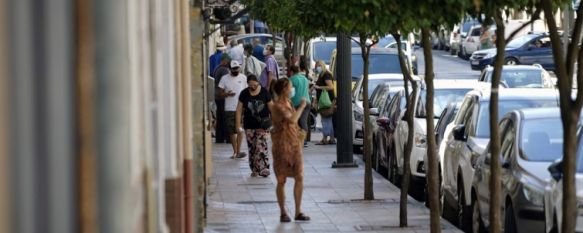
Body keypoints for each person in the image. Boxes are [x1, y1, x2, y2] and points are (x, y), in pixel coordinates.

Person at [270, 78, 310, 223]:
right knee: (281, 180)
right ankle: (283, 212)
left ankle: (298, 211)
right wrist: (302, 107)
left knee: (299, 176)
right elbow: (292, 120)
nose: (292, 89)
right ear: (284, 89)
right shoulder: (278, 106)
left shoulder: (289, 102)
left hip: (294, 146)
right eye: (291, 87)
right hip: (282, 147)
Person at [236, 75, 273, 177]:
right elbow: (239, 110)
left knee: (261, 146)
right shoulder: (244, 93)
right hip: (249, 125)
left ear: (258, 82)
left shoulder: (265, 92)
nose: (253, 87)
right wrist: (238, 125)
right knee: (252, 148)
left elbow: (272, 108)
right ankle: (255, 169)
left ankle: (264, 168)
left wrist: (275, 123)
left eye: (255, 84)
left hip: (263, 125)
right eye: (250, 85)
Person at [218, 60, 248, 159]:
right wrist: (227, 94)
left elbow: (247, 92)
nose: (236, 70)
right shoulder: (224, 78)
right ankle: (235, 151)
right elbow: (220, 93)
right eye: (234, 69)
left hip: (241, 108)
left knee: (240, 130)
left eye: (237, 68)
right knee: (231, 131)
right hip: (229, 108)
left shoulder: (243, 78)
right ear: (230, 69)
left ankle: (238, 151)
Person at [313, 60, 336, 145]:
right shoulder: (322, 74)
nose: (317, 68)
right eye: (316, 67)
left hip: (327, 101)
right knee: (328, 119)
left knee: (325, 119)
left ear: (322, 66)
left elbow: (331, 87)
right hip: (326, 101)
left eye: (318, 66)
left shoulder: (326, 75)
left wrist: (319, 87)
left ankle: (325, 139)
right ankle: (332, 139)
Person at [288, 65, 311, 147]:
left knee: (296, 122)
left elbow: (289, 92)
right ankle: (304, 140)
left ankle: (298, 139)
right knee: (303, 121)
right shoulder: (305, 79)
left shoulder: (291, 79)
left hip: (296, 103)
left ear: (291, 72)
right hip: (307, 102)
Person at [213, 54, 232, 143]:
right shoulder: (224, 70)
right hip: (222, 95)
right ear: (224, 60)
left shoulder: (217, 68)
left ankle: (219, 138)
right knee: (225, 117)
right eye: (228, 61)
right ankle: (227, 137)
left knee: (219, 117)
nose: (229, 63)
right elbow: (227, 82)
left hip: (217, 95)